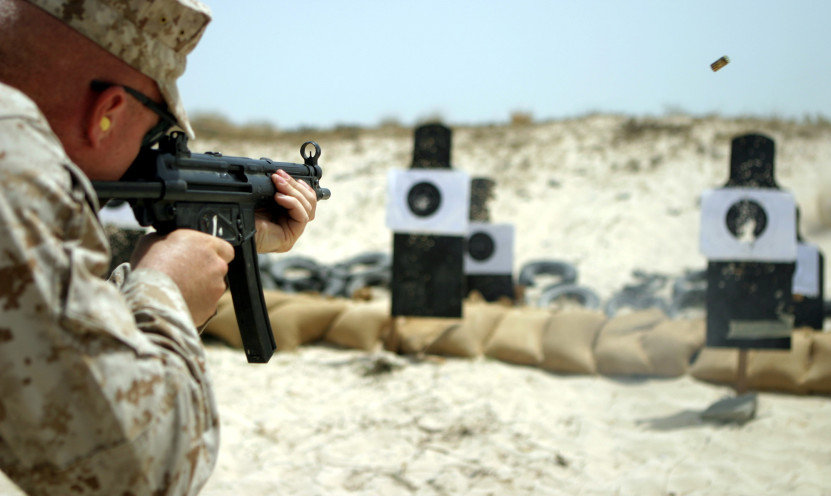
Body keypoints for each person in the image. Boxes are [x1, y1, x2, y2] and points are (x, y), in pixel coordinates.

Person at [0, 0, 318, 494]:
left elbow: (30, 348)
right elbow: (136, 467)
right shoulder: (9, 152)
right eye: (154, 133)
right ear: (107, 112)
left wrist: (234, 237)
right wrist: (164, 291)